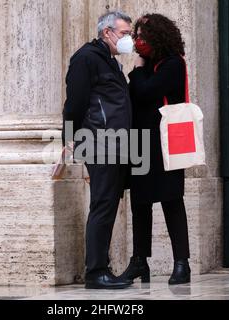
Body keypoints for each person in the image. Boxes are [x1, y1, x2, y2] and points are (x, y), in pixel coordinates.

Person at [62, 11, 134, 289]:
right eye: (125, 33)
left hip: (116, 143)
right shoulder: (86, 58)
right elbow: (75, 101)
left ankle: (101, 266)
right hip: (99, 142)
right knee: (102, 205)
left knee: (107, 205)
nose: (129, 39)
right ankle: (96, 272)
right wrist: (69, 136)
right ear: (107, 32)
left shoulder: (110, 61)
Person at [120, 14, 191, 285]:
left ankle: (182, 263)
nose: (139, 41)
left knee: (172, 201)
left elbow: (147, 91)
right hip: (140, 142)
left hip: (165, 143)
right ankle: (139, 262)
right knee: (140, 203)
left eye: (144, 36)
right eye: (137, 35)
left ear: (159, 37)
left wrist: (137, 69)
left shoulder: (173, 64)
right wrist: (139, 70)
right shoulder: (148, 65)